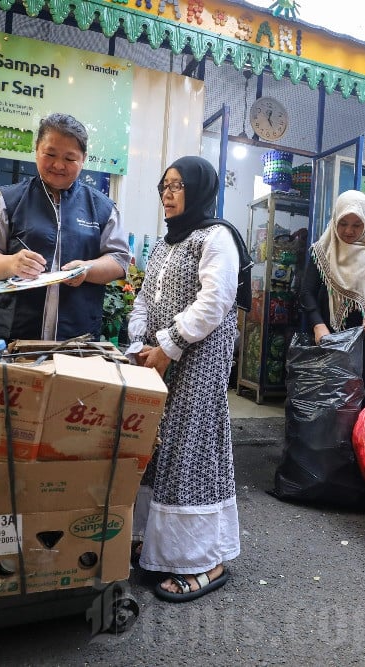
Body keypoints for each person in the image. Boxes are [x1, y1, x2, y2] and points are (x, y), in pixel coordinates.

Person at [127, 155, 252, 603]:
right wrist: (138, 342)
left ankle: (204, 560)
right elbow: (143, 297)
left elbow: (215, 301)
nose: (167, 192)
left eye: (177, 185)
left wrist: (168, 346)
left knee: (190, 450)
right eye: (164, 185)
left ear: (198, 190)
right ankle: (162, 548)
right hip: (159, 357)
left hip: (196, 360)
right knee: (156, 448)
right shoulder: (165, 243)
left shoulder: (217, 236)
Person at [0, 113, 130, 341]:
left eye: (70, 158)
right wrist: (12, 263)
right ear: (36, 150)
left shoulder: (102, 208)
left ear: (83, 159)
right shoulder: (8, 200)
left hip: (76, 338)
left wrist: (87, 269)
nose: (58, 165)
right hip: (13, 335)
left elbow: (119, 260)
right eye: (50, 154)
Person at [299, 189, 365, 404]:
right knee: (331, 398)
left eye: (357, 225)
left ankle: (362, 438)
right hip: (329, 335)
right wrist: (318, 325)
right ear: (335, 219)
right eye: (343, 223)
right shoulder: (322, 249)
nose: (348, 231)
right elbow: (306, 292)